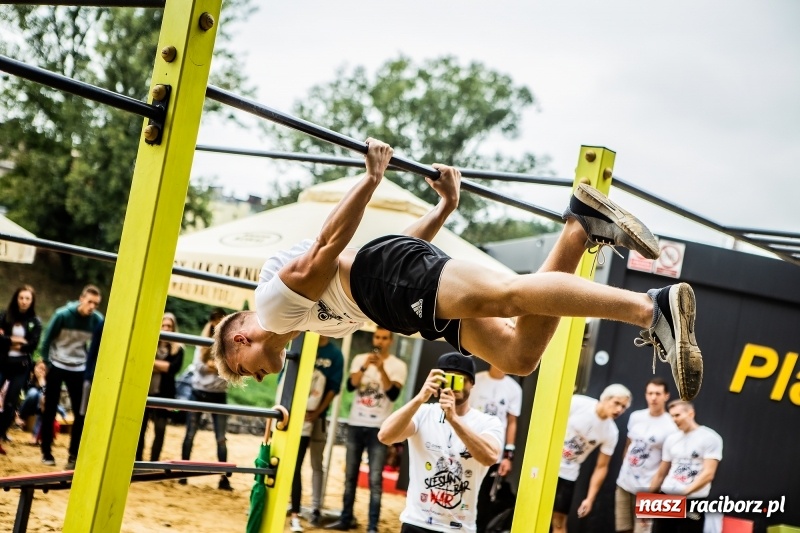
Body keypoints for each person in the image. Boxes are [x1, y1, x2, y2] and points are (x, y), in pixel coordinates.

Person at [211, 139, 703, 404]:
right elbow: (389, 261)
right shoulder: (305, 325)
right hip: (401, 300)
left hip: (389, 285)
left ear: (239, 341)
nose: (250, 377)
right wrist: (444, 208)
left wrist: (371, 179)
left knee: (509, 295)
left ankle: (649, 308)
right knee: (518, 355)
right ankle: (580, 228)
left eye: (239, 370)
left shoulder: (272, 308)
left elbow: (332, 246)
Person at [378, 352, 504, 533]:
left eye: (460, 379)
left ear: (472, 384)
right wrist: (420, 397)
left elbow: (490, 457)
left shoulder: (487, 422)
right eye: (447, 378)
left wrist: (453, 419)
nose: (453, 385)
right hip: (417, 522)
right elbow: (385, 436)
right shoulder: (423, 413)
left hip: (459, 527)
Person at [326, 327, 408, 532]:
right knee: (350, 476)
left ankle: (372, 526)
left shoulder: (398, 365)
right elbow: (351, 386)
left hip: (379, 428)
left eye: (384, 338)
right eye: (377, 337)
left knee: (375, 479)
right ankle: (346, 519)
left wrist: (381, 369)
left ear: (391, 341)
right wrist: (364, 367)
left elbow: (393, 395)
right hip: (356, 423)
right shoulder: (360, 359)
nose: (380, 341)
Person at [552, 384, 631, 533]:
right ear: (605, 398)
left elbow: (601, 467)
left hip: (568, 474)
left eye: (623, 407)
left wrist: (590, 498)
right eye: (616, 403)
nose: (619, 409)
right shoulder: (578, 403)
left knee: (558, 522)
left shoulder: (611, 432)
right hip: (547, 466)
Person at [38, 284, 103, 468]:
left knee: (80, 411)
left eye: (96, 304)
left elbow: (99, 345)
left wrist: (91, 369)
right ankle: (46, 452)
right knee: (50, 409)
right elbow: (46, 339)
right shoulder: (63, 315)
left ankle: (73, 454)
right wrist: (46, 362)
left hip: (79, 367)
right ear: (81, 299)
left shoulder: (97, 320)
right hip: (57, 363)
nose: (92, 306)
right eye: (89, 302)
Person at [287, 335, 344, 532]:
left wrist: (318, 412)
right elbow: (285, 377)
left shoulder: (335, 354)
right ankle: (292, 503)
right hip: (296, 416)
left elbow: (334, 387)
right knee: (293, 462)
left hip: (317, 418)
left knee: (316, 463)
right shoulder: (301, 344)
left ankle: (316, 507)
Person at [649, 401, 723, 533]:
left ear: (691, 413)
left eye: (677, 415)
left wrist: (683, 493)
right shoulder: (671, 439)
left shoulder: (711, 438)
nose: (674, 419)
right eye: (672, 416)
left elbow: (708, 474)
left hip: (693, 501)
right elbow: (661, 473)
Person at [616, 378, 678, 533]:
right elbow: (628, 445)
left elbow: (667, 465)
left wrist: (652, 493)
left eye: (658, 393)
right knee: (623, 529)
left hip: (647, 488)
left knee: (642, 531)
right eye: (650, 393)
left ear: (666, 396)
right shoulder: (636, 416)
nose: (653, 397)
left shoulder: (671, 426)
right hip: (624, 483)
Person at [180, 308, 231, 490]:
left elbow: (231, 370)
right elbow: (199, 366)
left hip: (218, 395)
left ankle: (224, 479)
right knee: (190, 434)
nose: (217, 325)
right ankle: (182, 474)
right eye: (215, 322)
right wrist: (219, 366)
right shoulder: (202, 342)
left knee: (220, 438)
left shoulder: (229, 343)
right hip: (199, 391)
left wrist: (214, 366)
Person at [469, 364, 523, 533]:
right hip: (469, 447)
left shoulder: (514, 389)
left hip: (494, 451)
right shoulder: (476, 380)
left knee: (484, 498)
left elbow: (512, 422)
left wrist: (508, 455)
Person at [136, 313, 184, 462]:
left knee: (160, 430)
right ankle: (137, 461)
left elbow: (172, 368)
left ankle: (153, 462)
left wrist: (153, 364)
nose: (166, 329)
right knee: (140, 429)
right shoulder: (149, 343)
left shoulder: (179, 349)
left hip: (165, 394)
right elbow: (142, 363)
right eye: (163, 325)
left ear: (173, 328)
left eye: (169, 326)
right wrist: (162, 366)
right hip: (145, 392)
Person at [0, 285, 43, 445]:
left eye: (27, 298)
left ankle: (2, 431)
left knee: (11, 400)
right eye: (21, 298)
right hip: (3, 362)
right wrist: (16, 341)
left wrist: (8, 341)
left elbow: (32, 345)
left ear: (32, 301)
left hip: (21, 366)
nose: (24, 301)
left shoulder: (35, 322)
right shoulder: (5, 316)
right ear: (16, 299)